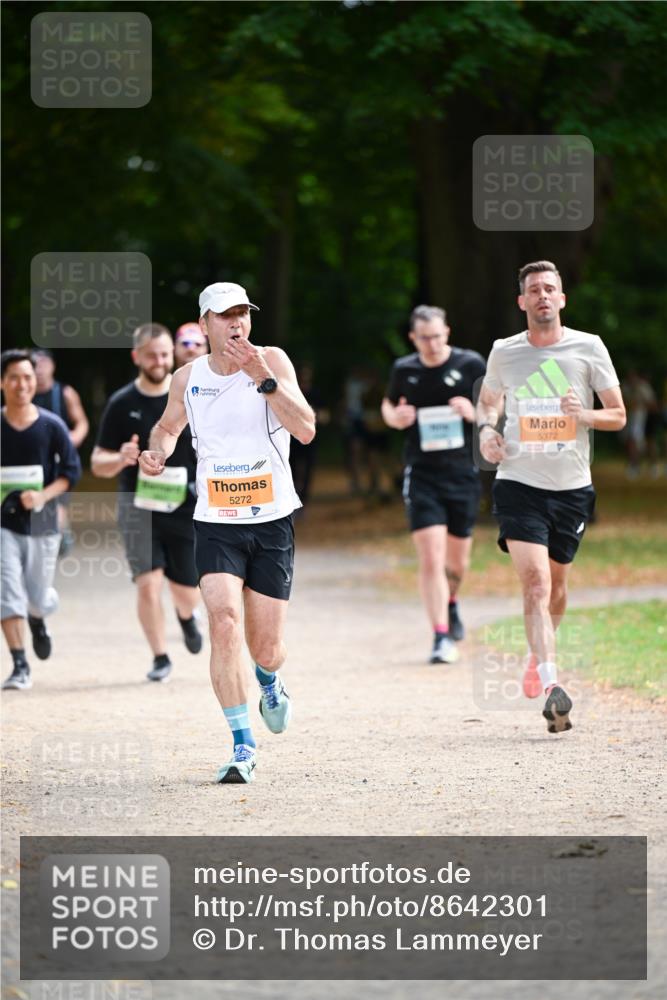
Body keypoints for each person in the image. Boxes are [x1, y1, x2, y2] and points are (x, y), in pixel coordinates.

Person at [138, 282, 315, 784]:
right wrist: (157, 451)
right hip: (216, 520)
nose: (236, 322)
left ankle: (269, 680)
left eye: (243, 313)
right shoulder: (188, 378)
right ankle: (242, 745)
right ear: (205, 324)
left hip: (272, 520)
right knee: (222, 622)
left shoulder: (272, 360)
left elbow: (305, 429)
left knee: (266, 648)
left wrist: (263, 378)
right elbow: (167, 428)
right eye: (225, 314)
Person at [477, 260, 626, 733]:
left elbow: (619, 415)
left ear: (562, 298)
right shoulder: (505, 351)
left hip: (571, 489)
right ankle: (551, 684)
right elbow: (488, 402)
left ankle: (536, 655)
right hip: (518, 483)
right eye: (534, 290)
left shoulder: (589, 347)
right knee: (536, 584)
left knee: (557, 588)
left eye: (549, 289)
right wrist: (486, 432)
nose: (542, 295)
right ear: (521, 301)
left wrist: (584, 416)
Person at [91, 323, 203, 683]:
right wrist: (120, 457)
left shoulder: (190, 394)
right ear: (136, 356)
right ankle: (160, 656)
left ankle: (186, 616)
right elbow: (97, 462)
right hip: (138, 506)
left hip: (185, 505)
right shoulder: (121, 403)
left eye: (165, 354)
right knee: (148, 582)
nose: (159, 361)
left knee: (187, 591)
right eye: (152, 355)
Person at [382, 306, 486, 663]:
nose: (432, 343)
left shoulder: (471, 364)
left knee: (457, 563)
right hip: (422, 474)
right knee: (431, 557)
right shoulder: (405, 369)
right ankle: (440, 636)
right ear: (414, 338)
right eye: (424, 338)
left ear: (447, 333)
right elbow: (388, 405)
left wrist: (474, 412)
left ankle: (451, 600)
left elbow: (495, 406)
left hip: (462, 474)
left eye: (438, 336)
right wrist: (396, 418)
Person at [1, 349, 81, 690]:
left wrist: (43, 496)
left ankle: (38, 618)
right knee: (7, 590)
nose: (22, 385)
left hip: (42, 524)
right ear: (2, 382)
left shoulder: (52, 425)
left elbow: (71, 472)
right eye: (14, 378)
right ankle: (20, 664)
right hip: (3, 524)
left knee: (37, 597)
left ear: (36, 381)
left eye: (28, 377)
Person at [32, 348, 90, 554]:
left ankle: (57, 536)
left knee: (57, 505)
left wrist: (72, 438)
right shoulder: (23, 392)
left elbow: (82, 422)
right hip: (33, 460)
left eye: (43, 364)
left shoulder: (65, 393)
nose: (39, 370)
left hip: (59, 461)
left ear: (52, 366)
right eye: (35, 365)